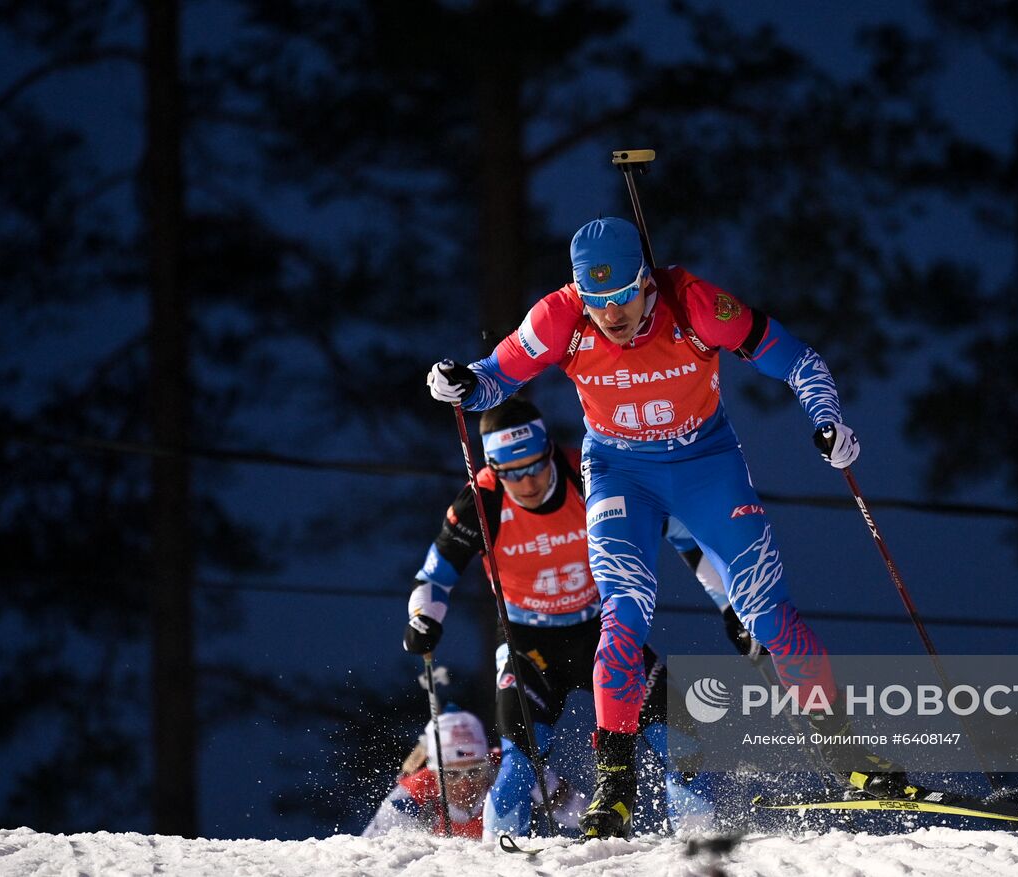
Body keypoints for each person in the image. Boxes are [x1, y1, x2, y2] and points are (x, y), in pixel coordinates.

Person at [426, 216, 914, 839]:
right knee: (623, 616)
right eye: (597, 304)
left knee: (767, 614)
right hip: (619, 471)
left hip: (705, 466)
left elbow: (799, 360)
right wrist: (461, 381)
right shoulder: (558, 316)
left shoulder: (697, 305)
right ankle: (617, 786)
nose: (611, 317)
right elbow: (494, 376)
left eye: (623, 298)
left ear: (645, 282)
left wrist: (827, 422)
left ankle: (847, 757)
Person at [402, 395, 753, 837]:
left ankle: (699, 849)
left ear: (550, 449)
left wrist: (731, 608)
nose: (527, 483)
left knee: (681, 745)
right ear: (493, 468)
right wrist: (423, 618)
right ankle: (490, 866)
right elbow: (433, 578)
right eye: (511, 473)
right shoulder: (482, 500)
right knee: (517, 768)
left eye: (535, 465)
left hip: (602, 636)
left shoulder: (590, 474)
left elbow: (686, 540)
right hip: (528, 646)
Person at [361, 708, 497, 838]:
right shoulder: (413, 794)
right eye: (452, 775)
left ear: (488, 765)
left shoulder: (504, 774)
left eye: (475, 772)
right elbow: (372, 849)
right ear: (434, 773)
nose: (465, 786)